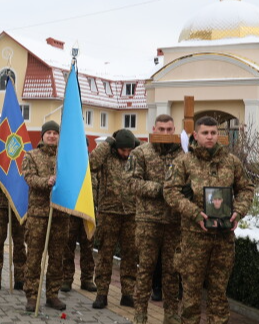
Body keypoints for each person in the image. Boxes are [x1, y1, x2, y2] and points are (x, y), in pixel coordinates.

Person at [164, 116, 253, 324]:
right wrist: (195, 213)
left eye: (214, 133)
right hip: (195, 238)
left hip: (223, 238)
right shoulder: (184, 162)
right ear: (196, 135)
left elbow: (246, 189)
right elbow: (170, 192)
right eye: (205, 133)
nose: (210, 137)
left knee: (219, 295)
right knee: (191, 295)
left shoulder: (231, 162)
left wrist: (238, 212)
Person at [127, 114, 184, 324]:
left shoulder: (182, 153)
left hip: (174, 222)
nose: (166, 133)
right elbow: (132, 182)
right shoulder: (141, 152)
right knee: (145, 269)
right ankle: (140, 314)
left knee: (172, 271)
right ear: (154, 129)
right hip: (148, 221)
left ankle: (171, 315)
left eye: (170, 130)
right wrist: (161, 190)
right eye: (162, 129)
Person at [22, 120, 69, 311]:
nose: (51, 136)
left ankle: (52, 294)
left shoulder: (65, 157)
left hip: (60, 215)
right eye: (48, 132)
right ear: (42, 136)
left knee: (57, 258)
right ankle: (32, 296)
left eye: (55, 133)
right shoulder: (31, 155)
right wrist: (46, 181)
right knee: (34, 258)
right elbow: (29, 177)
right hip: (38, 216)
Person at [90, 128, 140, 309]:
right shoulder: (106, 156)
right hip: (108, 212)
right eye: (123, 150)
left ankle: (127, 293)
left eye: (129, 150)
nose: (126, 154)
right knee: (105, 254)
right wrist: (107, 144)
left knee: (130, 254)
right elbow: (91, 164)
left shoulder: (136, 157)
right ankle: (102, 293)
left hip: (131, 213)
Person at [0, 177, 26, 292]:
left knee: (19, 243)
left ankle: (20, 277)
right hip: (0, 205)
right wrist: (5, 178)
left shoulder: (23, 158)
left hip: (18, 203)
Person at [61, 216, 97, 293]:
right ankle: (66, 278)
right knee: (68, 244)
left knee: (88, 245)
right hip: (72, 211)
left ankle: (87, 279)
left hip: (86, 212)